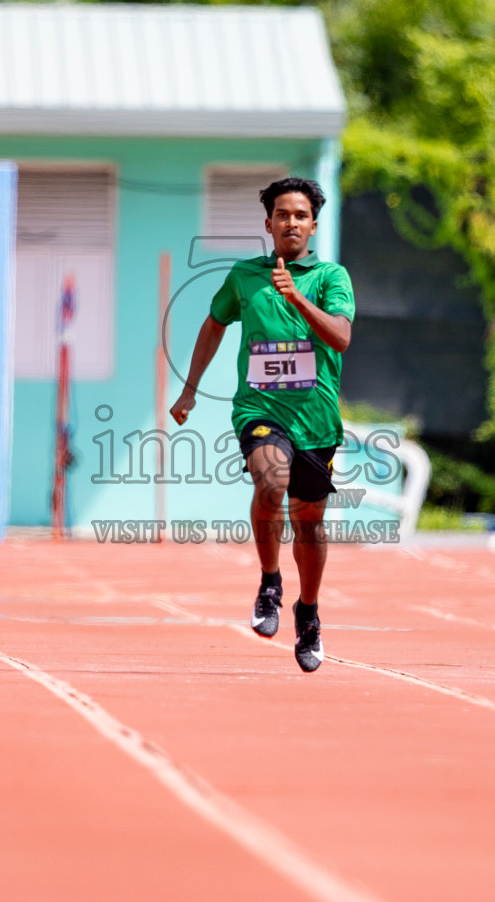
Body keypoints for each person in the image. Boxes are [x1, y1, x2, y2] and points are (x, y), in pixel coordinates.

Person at [169, 177, 355, 673]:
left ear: (313, 225)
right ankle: (270, 580)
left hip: (316, 421)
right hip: (260, 411)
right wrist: (189, 388)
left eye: (300, 215)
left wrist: (296, 297)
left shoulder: (331, 278)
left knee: (309, 521)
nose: (290, 222)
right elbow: (213, 324)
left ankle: (308, 611)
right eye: (281, 214)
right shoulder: (244, 276)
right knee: (270, 479)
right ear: (268, 223)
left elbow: (340, 338)